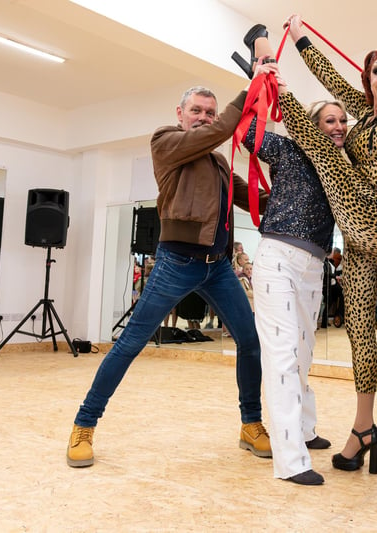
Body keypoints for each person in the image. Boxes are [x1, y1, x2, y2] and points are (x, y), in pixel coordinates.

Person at [247, 16, 377, 488]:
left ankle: (268, 76)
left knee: (319, 146)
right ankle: (362, 428)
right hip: (355, 242)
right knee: (361, 333)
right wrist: (299, 36)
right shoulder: (367, 112)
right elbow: (332, 80)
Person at [66, 85, 272, 468]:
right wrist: (248, 91)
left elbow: (253, 199)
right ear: (180, 114)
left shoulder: (218, 163)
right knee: (129, 344)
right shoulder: (166, 141)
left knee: (250, 340)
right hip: (176, 262)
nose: (205, 117)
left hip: (219, 267)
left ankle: (251, 423)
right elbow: (218, 133)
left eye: (210, 112)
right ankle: (84, 425)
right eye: (197, 110)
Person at [242, 91, 347, 486]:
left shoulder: (340, 166)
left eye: (342, 121)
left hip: (313, 265)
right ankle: (290, 459)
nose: (337, 127)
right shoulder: (287, 150)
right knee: (283, 354)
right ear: (310, 125)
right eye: (328, 120)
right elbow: (247, 133)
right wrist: (261, 79)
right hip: (278, 257)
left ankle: (303, 429)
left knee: (302, 351)